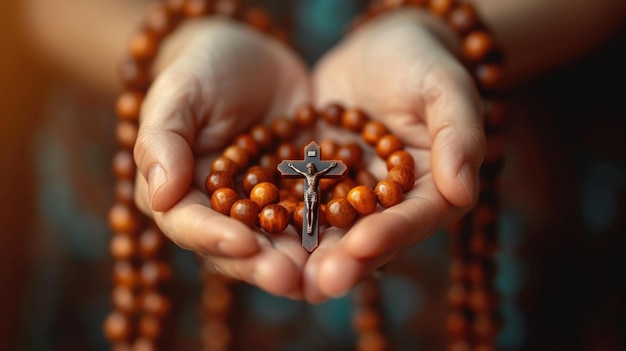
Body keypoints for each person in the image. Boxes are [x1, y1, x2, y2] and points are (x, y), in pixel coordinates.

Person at [19, 0, 626, 305]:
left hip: (524, 172)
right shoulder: (297, 170)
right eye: (308, 170)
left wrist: (439, 32)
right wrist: (176, 43)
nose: (311, 171)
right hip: (152, 145)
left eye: (315, 171)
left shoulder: (328, 171)